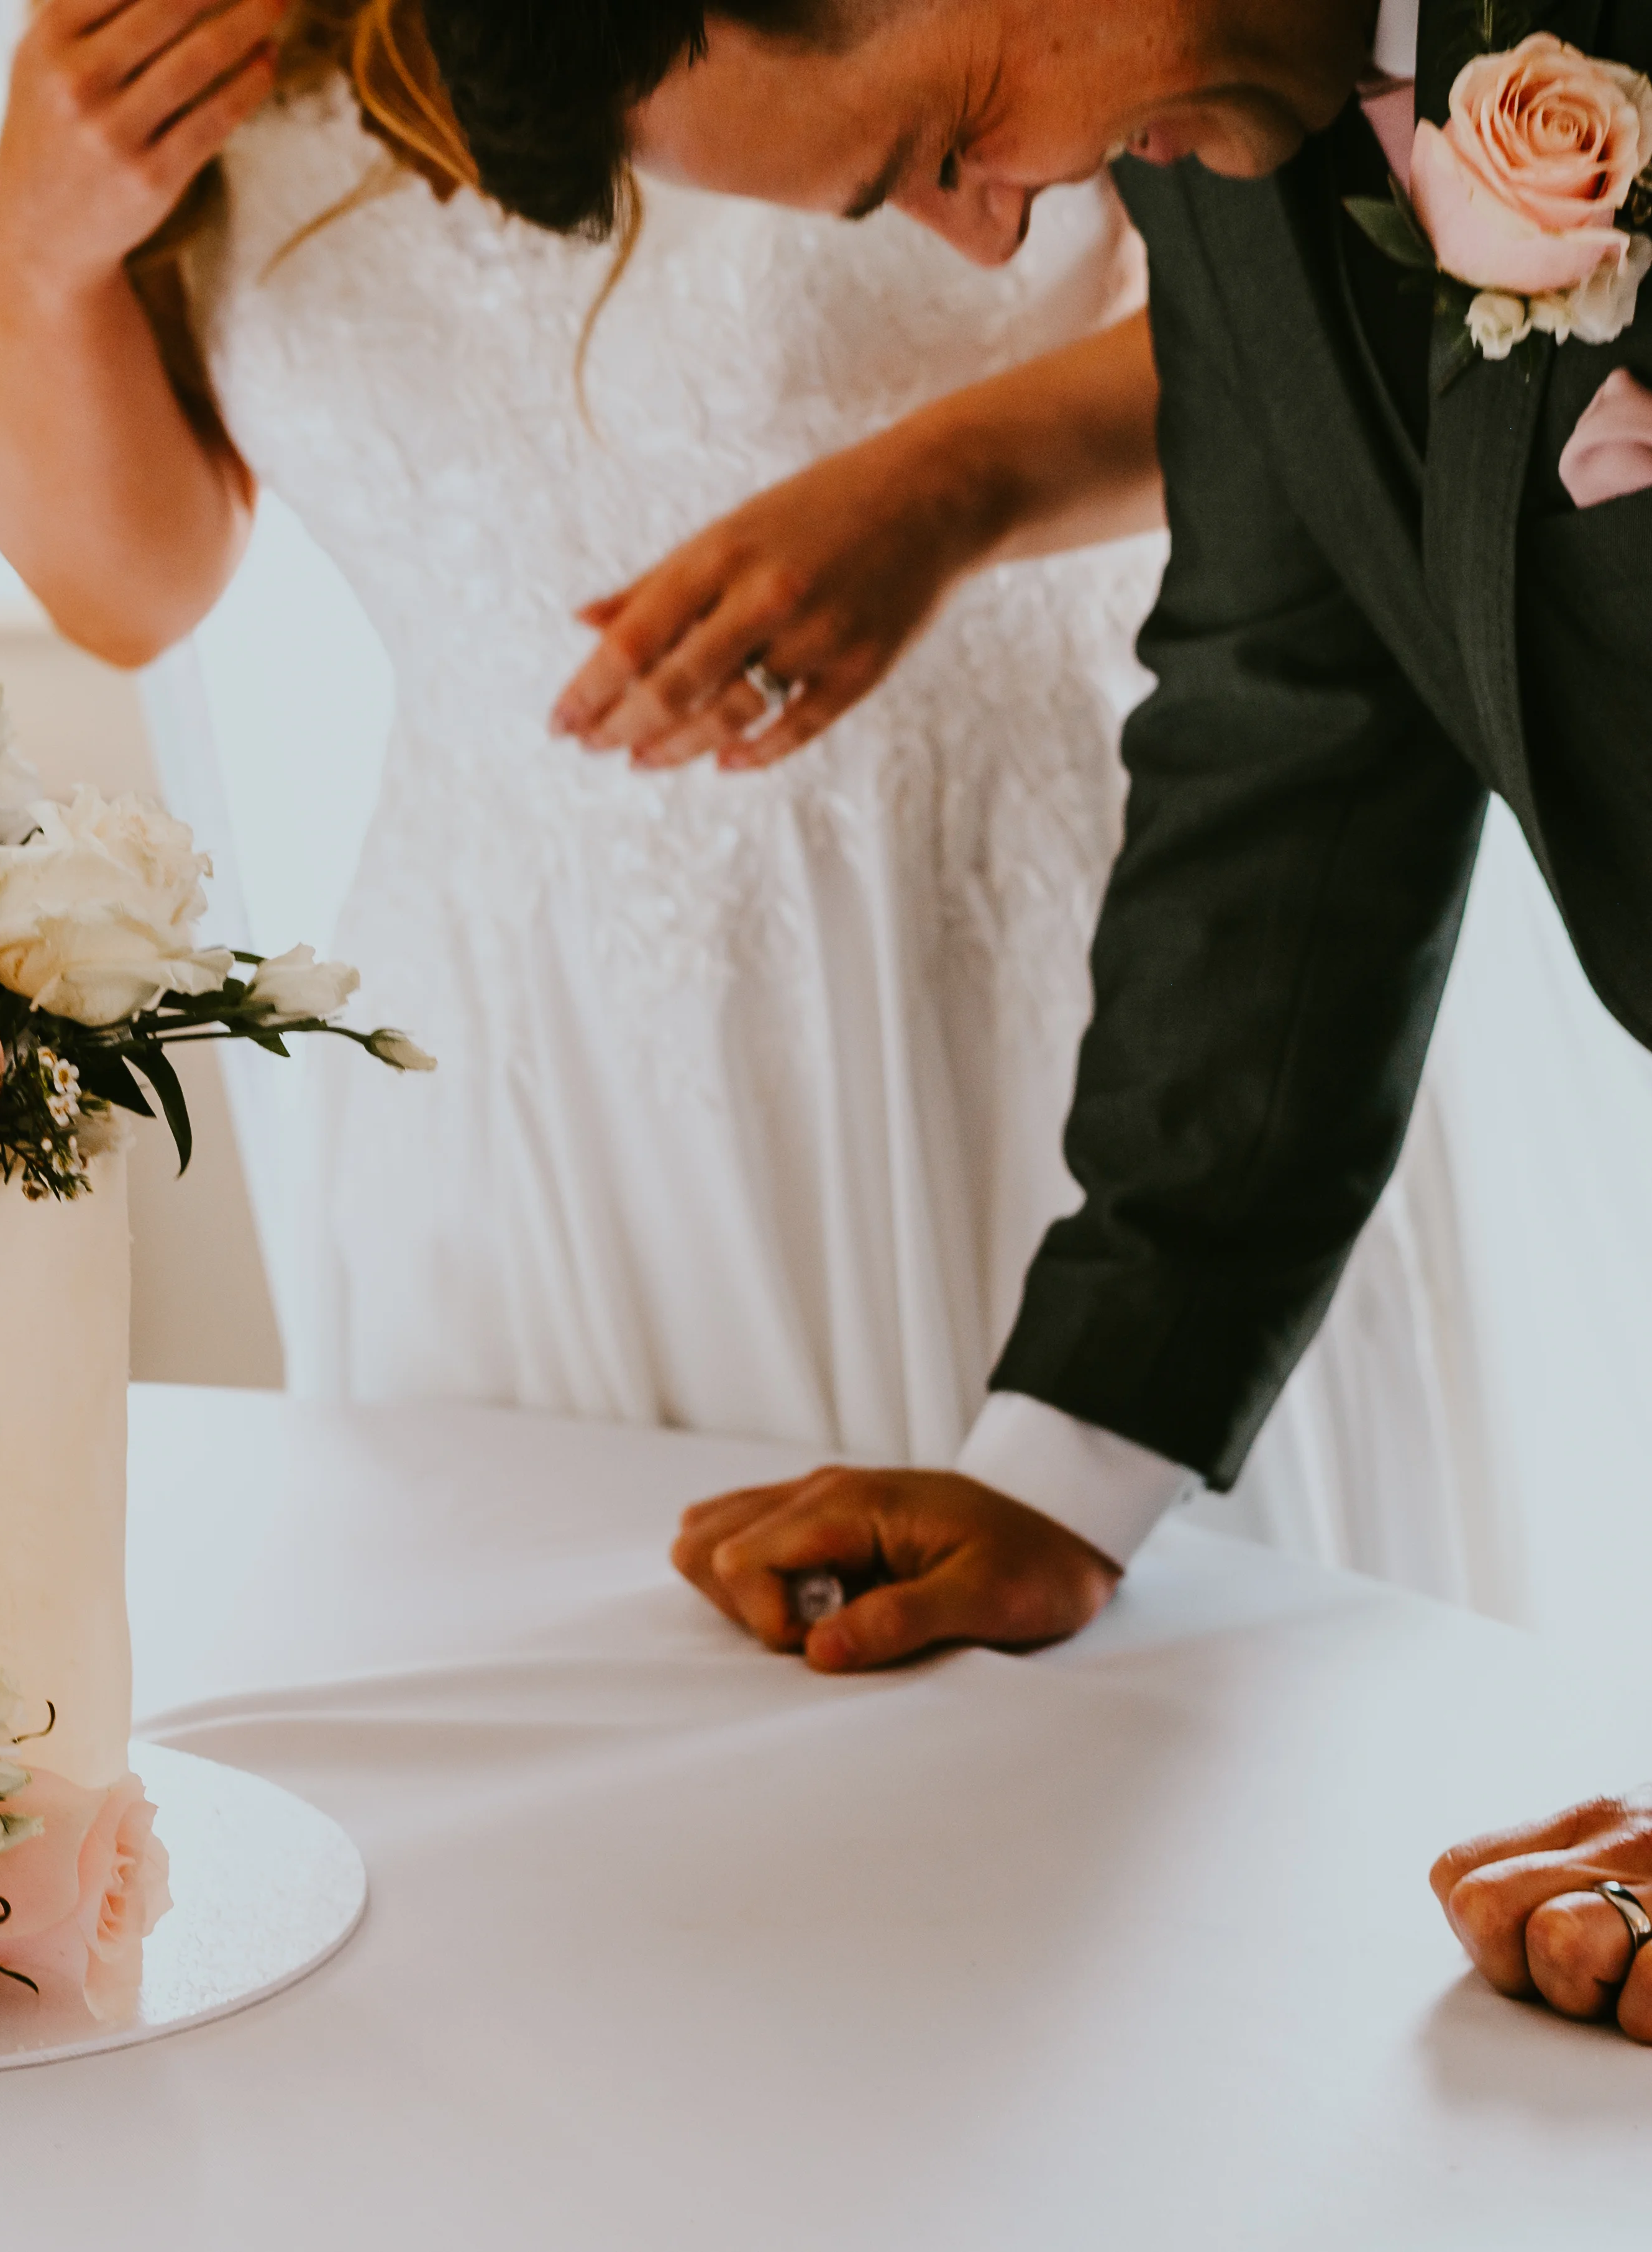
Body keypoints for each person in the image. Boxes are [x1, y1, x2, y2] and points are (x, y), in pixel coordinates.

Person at [413, 0, 1652, 2041]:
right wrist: (1075, 1455)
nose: (992, 242)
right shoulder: (1226, 164)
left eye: (951, 135)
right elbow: (1291, 720)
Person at [0, 6, 1452, 1516]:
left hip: (1008, 972)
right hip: (517, 1056)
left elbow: (1320, 352)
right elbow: (128, 591)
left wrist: (948, 491)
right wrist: (36, 260)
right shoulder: (166, 34)